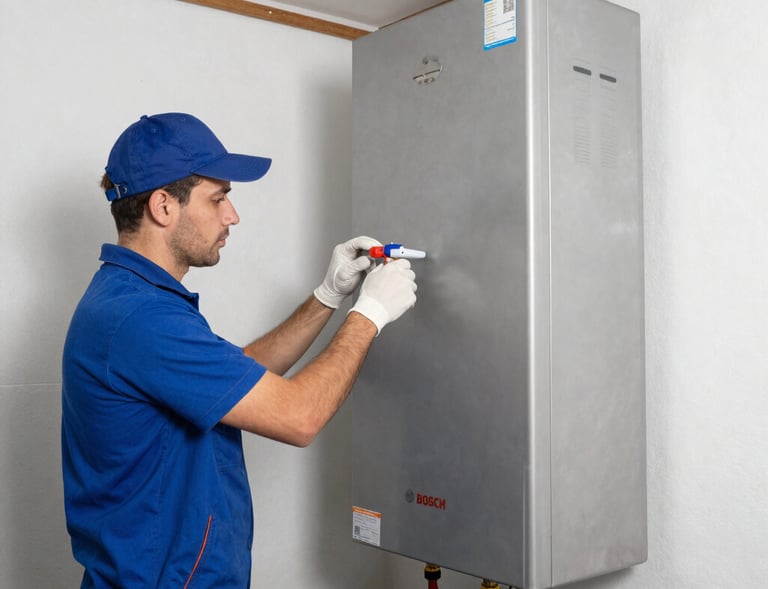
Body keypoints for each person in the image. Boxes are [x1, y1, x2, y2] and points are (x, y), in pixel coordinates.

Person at [61, 112, 417, 588]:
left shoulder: (132, 298)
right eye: (218, 198)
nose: (232, 216)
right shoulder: (140, 319)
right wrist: (369, 314)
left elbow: (235, 378)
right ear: (163, 206)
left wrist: (328, 296)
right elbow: (299, 417)